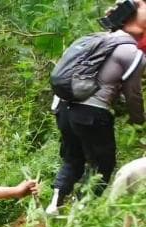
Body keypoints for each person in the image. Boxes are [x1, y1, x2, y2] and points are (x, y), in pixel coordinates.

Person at [46, 0, 146, 215]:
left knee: (73, 158)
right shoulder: (131, 52)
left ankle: (54, 203)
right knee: (103, 165)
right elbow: (133, 95)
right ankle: (81, 211)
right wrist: (139, 123)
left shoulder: (99, 40)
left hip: (64, 107)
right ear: (133, 18)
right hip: (92, 112)